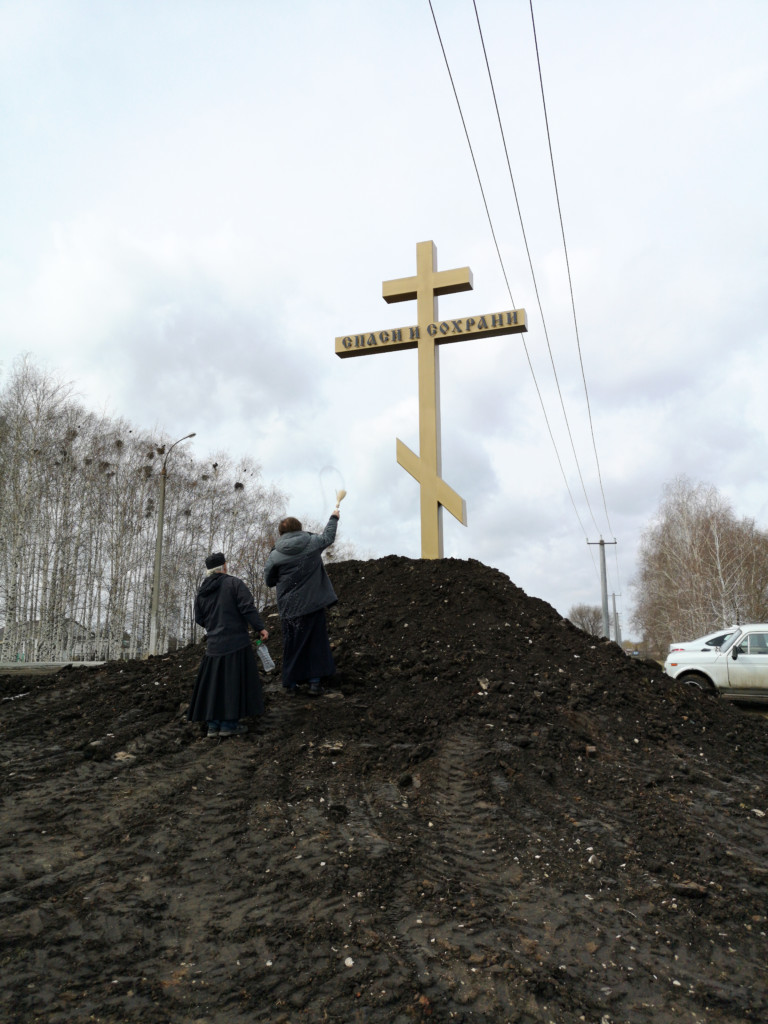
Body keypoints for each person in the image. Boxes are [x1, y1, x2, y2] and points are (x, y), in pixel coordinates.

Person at [187, 552, 268, 738]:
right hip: (236, 643)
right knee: (232, 684)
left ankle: (213, 726)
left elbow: (199, 619)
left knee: (214, 685)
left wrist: (214, 628)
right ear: (224, 566)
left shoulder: (202, 592)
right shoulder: (234, 584)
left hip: (213, 646)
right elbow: (247, 607)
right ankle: (228, 725)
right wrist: (260, 628)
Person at [264, 510, 339, 695]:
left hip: (289, 608)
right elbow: (328, 537)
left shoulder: (274, 555)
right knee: (316, 643)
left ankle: (291, 684)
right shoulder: (312, 543)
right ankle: (314, 684)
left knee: (292, 644)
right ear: (299, 528)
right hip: (312, 604)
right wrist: (334, 517)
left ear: (281, 533)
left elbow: (269, 580)